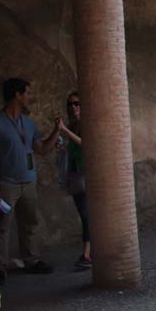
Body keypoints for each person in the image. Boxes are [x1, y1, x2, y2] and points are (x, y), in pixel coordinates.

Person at [0, 78, 62, 283]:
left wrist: (57, 131)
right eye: (27, 93)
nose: (30, 97)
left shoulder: (28, 123)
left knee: (30, 223)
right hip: (6, 183)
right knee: (2, 226)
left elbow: (41, 149)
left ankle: (32, 260)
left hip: (29, 181)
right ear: (16, 95)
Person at [57, 92, 91, 269]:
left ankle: (87, 254)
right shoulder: (72, 125)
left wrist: (65, 132)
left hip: (87, 174)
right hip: (75, 174)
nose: (73, 108)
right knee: (84, 214)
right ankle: (88, 252)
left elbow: (86, 143)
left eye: (76, 104)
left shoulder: (86, 124)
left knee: (87, 215)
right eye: (69, 105)